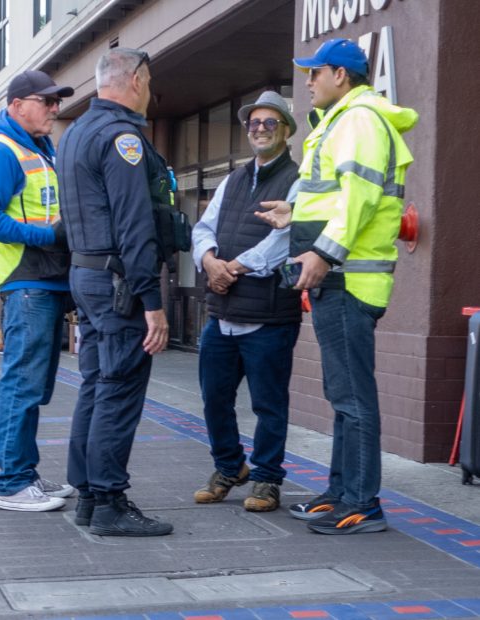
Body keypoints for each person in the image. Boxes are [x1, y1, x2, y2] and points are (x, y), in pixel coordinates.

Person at [256, 38, 418, 534]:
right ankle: (342, 492)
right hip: (340, 279)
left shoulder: (360, 121)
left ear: (341, 76)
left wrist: (323, 254)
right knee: (342, 394)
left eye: (314, 72)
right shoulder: (345, 120)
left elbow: (360, 199)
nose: (307, 81)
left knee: (352, 397)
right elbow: (337, 199)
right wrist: (294, 213)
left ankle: (363, 503)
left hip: (348, 279)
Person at [56, 48, 173, 536]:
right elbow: (134, 223)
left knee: (97, 385)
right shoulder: (122, 137)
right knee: (119, 388)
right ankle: (108, 502)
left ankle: (87, 495)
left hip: (86, 276)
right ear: (139, 80)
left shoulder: (76, 133)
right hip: (117, 281)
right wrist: (153, 302)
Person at [190, 91, 301, 513]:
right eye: (253, 123)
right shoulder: (233, 179)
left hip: (270, 315)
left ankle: (268, 479)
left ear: (286, 131)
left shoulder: (298, 181)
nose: (259, 129)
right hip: (223, 316)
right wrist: (208, 260)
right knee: (214, 397)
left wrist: (231, 267)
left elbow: (284, 241)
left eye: (269, 123)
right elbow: (203, 226)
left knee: (268, 404)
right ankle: (229, 467)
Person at [0, 69, 75, 512]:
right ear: (17, 106)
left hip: (42, 281)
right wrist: (47, 237)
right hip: (25, 281)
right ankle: (13, 483)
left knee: (34, 385)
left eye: (56, 101)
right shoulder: (2, 150)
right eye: (46, 101)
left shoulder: (38, 147)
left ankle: (24, 475)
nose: (55, 108)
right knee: (22, 384)